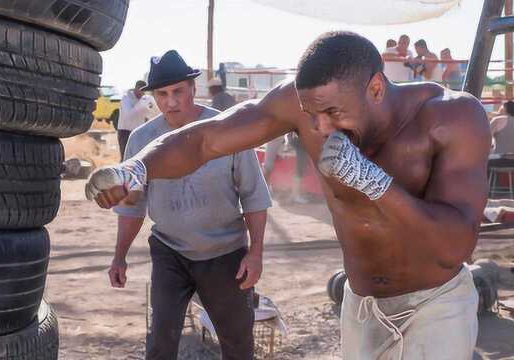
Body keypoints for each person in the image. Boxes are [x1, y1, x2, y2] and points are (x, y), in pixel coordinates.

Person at [87, 31, 490, 360]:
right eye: (310, 114)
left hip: (435, 306)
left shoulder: (451, 117)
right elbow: (205, 141)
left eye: (333, 112)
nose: (319, 127)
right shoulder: (305, 105)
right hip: (361, 303)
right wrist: (136, 168)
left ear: (376, 88)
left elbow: (454, 245)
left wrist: (378, 186)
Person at [104, 50, 271, 360]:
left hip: (225, 255)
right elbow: (132, 205)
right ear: (153, 96)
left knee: (237, 343)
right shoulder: (142, 140)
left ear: (194, 88)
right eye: (162, 94)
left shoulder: (226, 130)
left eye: (178, 91)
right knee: (161, 343)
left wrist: (256, 252)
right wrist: (119, 257)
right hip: (170, 251)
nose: (171, 101)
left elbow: (253, 195)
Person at [117, 80, 157, 159]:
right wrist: (140, 104)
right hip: (125, 132)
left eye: (144, 91)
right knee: (125, 158)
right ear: (136, 88)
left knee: (138, 158)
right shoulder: (126, 98)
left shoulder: (144, 99)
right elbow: (128, 116)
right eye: (141, 91)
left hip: (139, 131)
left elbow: (151, 114)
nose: (143, 93)